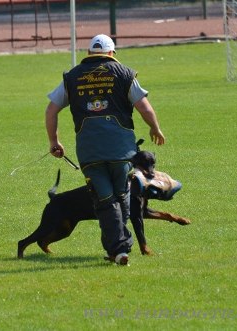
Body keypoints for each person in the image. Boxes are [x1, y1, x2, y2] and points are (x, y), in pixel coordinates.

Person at [45, 34, 165, 265]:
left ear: (90, 53)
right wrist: (155, 128)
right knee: (122, 195)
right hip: (122, 151)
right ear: (112, 53)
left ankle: (119, 249)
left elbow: (51, 111)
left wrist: (54, 142)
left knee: (105, 199)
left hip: (90, 152)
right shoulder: (125, 74)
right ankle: (121, 247)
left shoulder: (72, 77)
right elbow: (144, 107)